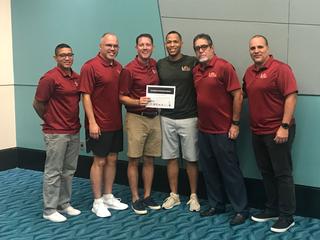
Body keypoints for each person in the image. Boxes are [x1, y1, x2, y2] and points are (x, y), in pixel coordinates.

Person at [243, 35, 298, 233]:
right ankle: (273, 208)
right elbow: (244, 95)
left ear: (267, 48)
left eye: (259, 47)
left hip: (278, 131)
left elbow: (291, 96)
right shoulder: (249, 73)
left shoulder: (281, 69)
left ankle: (287, 216)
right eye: (252, 48)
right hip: (257, 131)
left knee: (282, 174)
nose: (256, 50)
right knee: (266, 172)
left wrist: (284, 125)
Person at [192, 33, 248, 226]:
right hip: (204, 130)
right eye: (197, 48)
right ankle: (217, 204)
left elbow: (238, 96)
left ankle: (241, 209)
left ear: (212, 47)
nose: (201, 50)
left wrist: (235, 124)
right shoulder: (196, 70)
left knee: (230, 171)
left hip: (224, 131)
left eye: (204, 46)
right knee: (209, 170)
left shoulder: (224, 67)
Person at [79, 33, 128, 218]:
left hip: (115, 122)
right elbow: (85, 95)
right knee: (99, 161)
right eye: (108, 45)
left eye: (115, 45)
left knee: (113, 159)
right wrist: (92, 122)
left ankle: (108, 196)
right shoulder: (90, 66)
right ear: (100, 46)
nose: (112, 49)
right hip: (98, 124)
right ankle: (97, 201)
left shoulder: (118, 67)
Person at [33, 43, 81, 222]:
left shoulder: (76, 77)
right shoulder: (49, 78)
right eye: (62, 55)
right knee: (53, 172)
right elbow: (37, 103)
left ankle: (64, 204)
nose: (67, 58)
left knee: (68, 170)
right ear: (56, 58)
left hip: (74, 130)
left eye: (70, 54)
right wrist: (50, 120)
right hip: (56, 133)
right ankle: (49, 209)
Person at [157, 31, 200, 212]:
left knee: (191, 159)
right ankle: (174, 195)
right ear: (166, 44)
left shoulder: (192, 62)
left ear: (181, 43)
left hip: (189, 118)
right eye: (169, 42)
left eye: (175, 41)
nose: (172, 45)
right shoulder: (160, 64)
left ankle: (193, 196)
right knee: (171, 158)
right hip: (167, 118)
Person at [119, 33, 161, 215]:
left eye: (148, 44)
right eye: (141, 45)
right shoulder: (129, 69)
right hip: (136, 117)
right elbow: (121, 97)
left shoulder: (154, 65)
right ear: (136, 47)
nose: (145, 47)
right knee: (134, 160)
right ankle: (135, 197)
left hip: (154, 117)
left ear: (152, 47)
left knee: (150, 159)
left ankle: (147, 196)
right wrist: (138, 102)